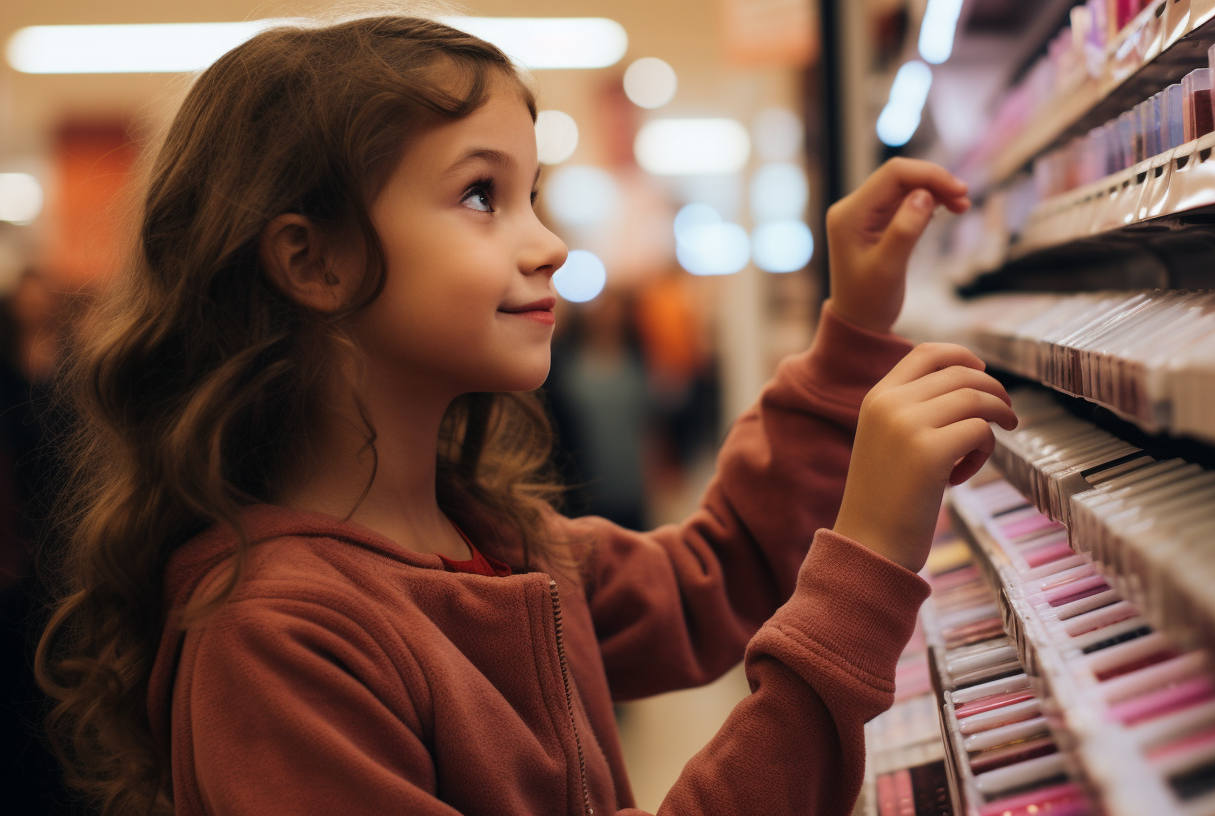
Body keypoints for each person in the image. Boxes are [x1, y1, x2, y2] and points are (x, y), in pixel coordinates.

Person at [34, 16, 1016, 816]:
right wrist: (867, 564)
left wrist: (850, 334)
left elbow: (711, 580)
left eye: (531, 193)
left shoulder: (497, 539)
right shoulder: (274, 646)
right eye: (479, 196)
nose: (547, 243)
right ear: (312, 263)